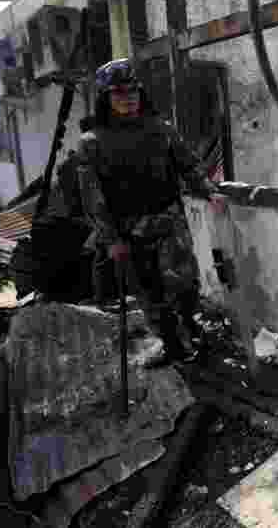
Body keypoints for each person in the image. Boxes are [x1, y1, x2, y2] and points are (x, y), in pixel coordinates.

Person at [76, 58, 223, 363]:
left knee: (184, 284)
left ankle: (194, 336)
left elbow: (189, 167)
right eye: (119, 94)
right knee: (149, 293)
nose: (127, 100)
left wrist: (210, 192)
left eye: (132, 92)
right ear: (106, 98)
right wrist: (111, 239)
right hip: (129, 230)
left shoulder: (162, 130)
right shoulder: (92, 143)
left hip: (169, 221)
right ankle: (171, 345)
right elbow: (94, 198)